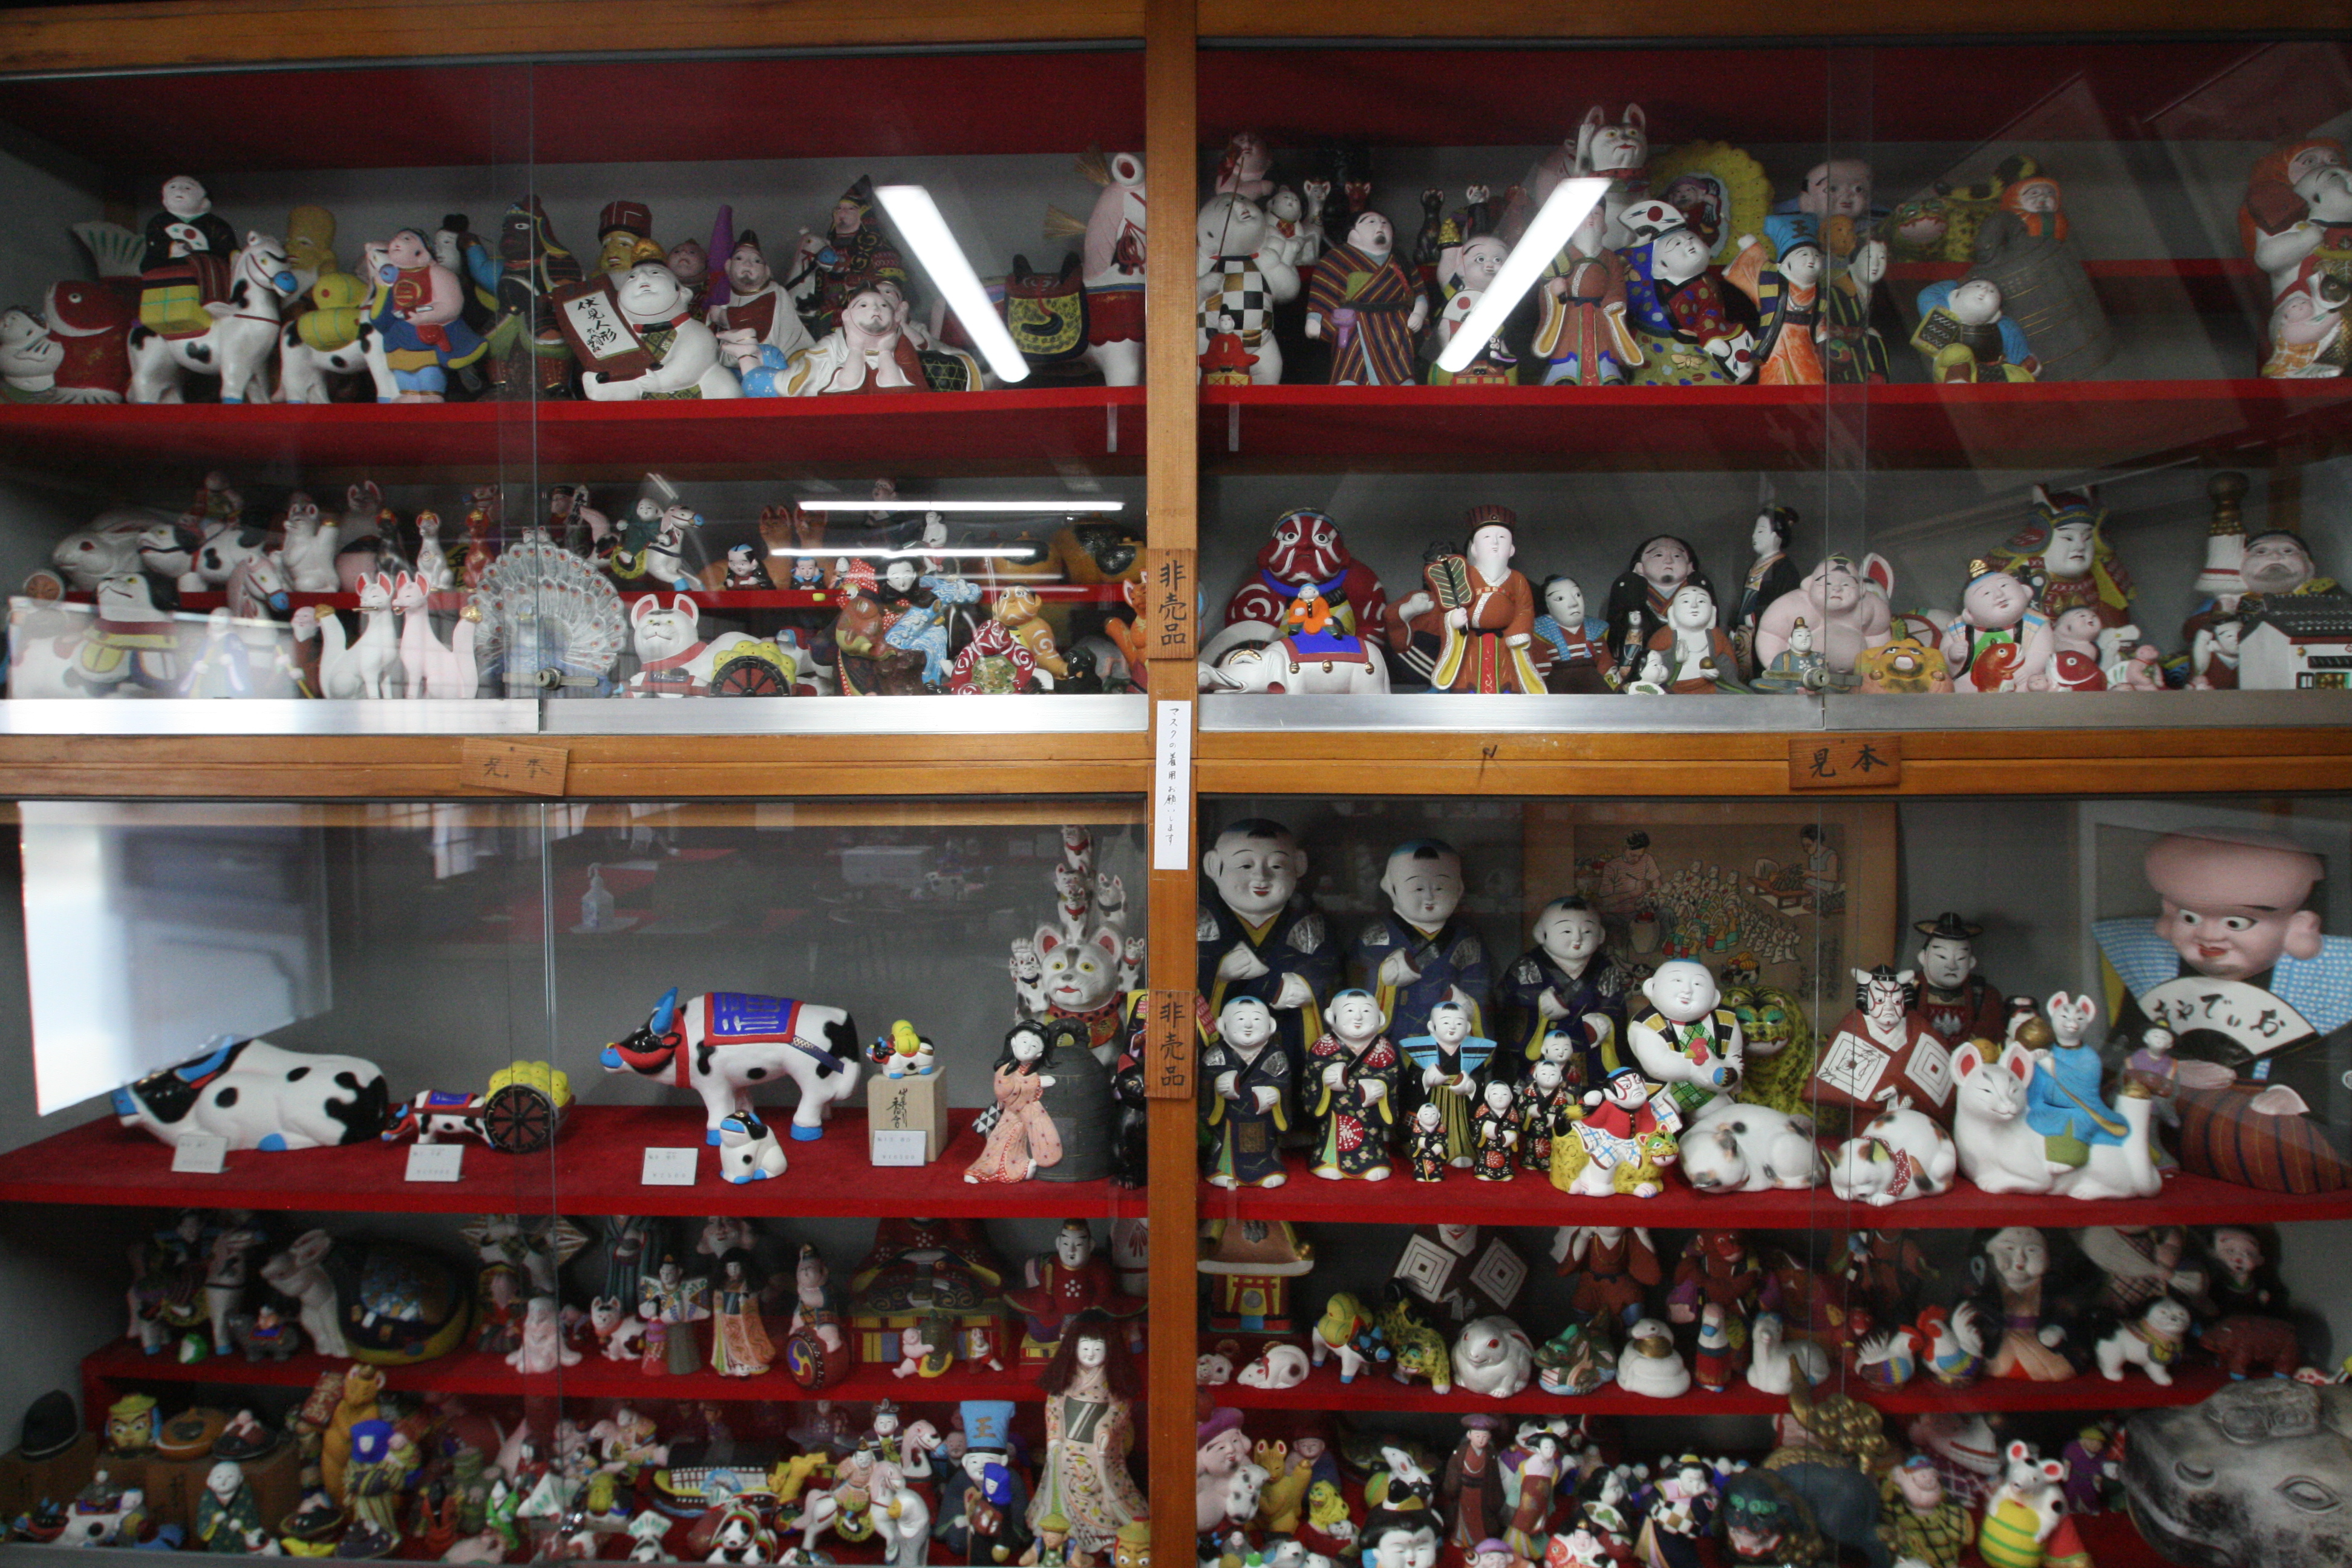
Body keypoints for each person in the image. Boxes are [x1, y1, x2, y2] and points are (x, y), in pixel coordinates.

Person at [2094, 828, 2352, 1161]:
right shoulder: (2154, 974)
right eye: (2190, 917)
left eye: (2236, 923)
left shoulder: (2331, 984)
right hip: (2180, 1130)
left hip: (2274, 1142)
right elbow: (2123, 1050)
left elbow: (2340, 1062)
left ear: (2298, 926)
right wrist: (2172, 1071)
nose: (2210, 936)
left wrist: (2297, 1093)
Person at [1351, 839, 1496, 1042]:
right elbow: (1355, 991)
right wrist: (1384, 979)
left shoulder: (1467, 940)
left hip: (1449, 1036)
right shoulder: (1377, 936)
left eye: (1440, 888)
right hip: (1396, 1036)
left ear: (1459, 888)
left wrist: (1469, 1005)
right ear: (1390, 887)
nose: (1429, 897)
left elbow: (1480, 988)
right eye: (1418, 888)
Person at [1028, 1311, 1147, 1554]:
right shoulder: (1067, 1374)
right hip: (1067, 1443)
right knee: (1065, 1485)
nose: (1090, 1354)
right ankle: (1064, 1530)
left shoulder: (1112, 1376)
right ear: (1074, 1347)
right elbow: (1054, 1405)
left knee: (1098, 1489)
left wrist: (1106, 1427)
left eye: (1097, 1349)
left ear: (1109, 1349)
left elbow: (1120, 1406)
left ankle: (1104, 1532)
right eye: (1085, 1348)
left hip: (1098, 1446)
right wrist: (1054, 1436)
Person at [1425, 509, 1543, 693]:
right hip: (1471, 644)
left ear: (1512, 549)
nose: (1495, 543)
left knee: (1507, 686)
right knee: (1467, 686)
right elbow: (1448, 605)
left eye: (1502, 538)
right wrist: (1453, 621)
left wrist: (1519, 633)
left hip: (1505, 645)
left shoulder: (1517, 579)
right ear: (1474, 549)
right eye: (1487, 537)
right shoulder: (1464, 574)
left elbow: (1525, 610)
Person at [1305, 211, 1428, 385]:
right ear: (1353, 232)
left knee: (1400, 376)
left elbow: (1419, 293)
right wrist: (1314, 320)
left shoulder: (1401, 261)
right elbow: (1323, 293)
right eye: (1371, 222)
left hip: (1396, 327)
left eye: (1385, 223)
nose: (1380, 226)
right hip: (1355, 326)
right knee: (1352, 369)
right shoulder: (1337, 258)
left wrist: (1419, 314)